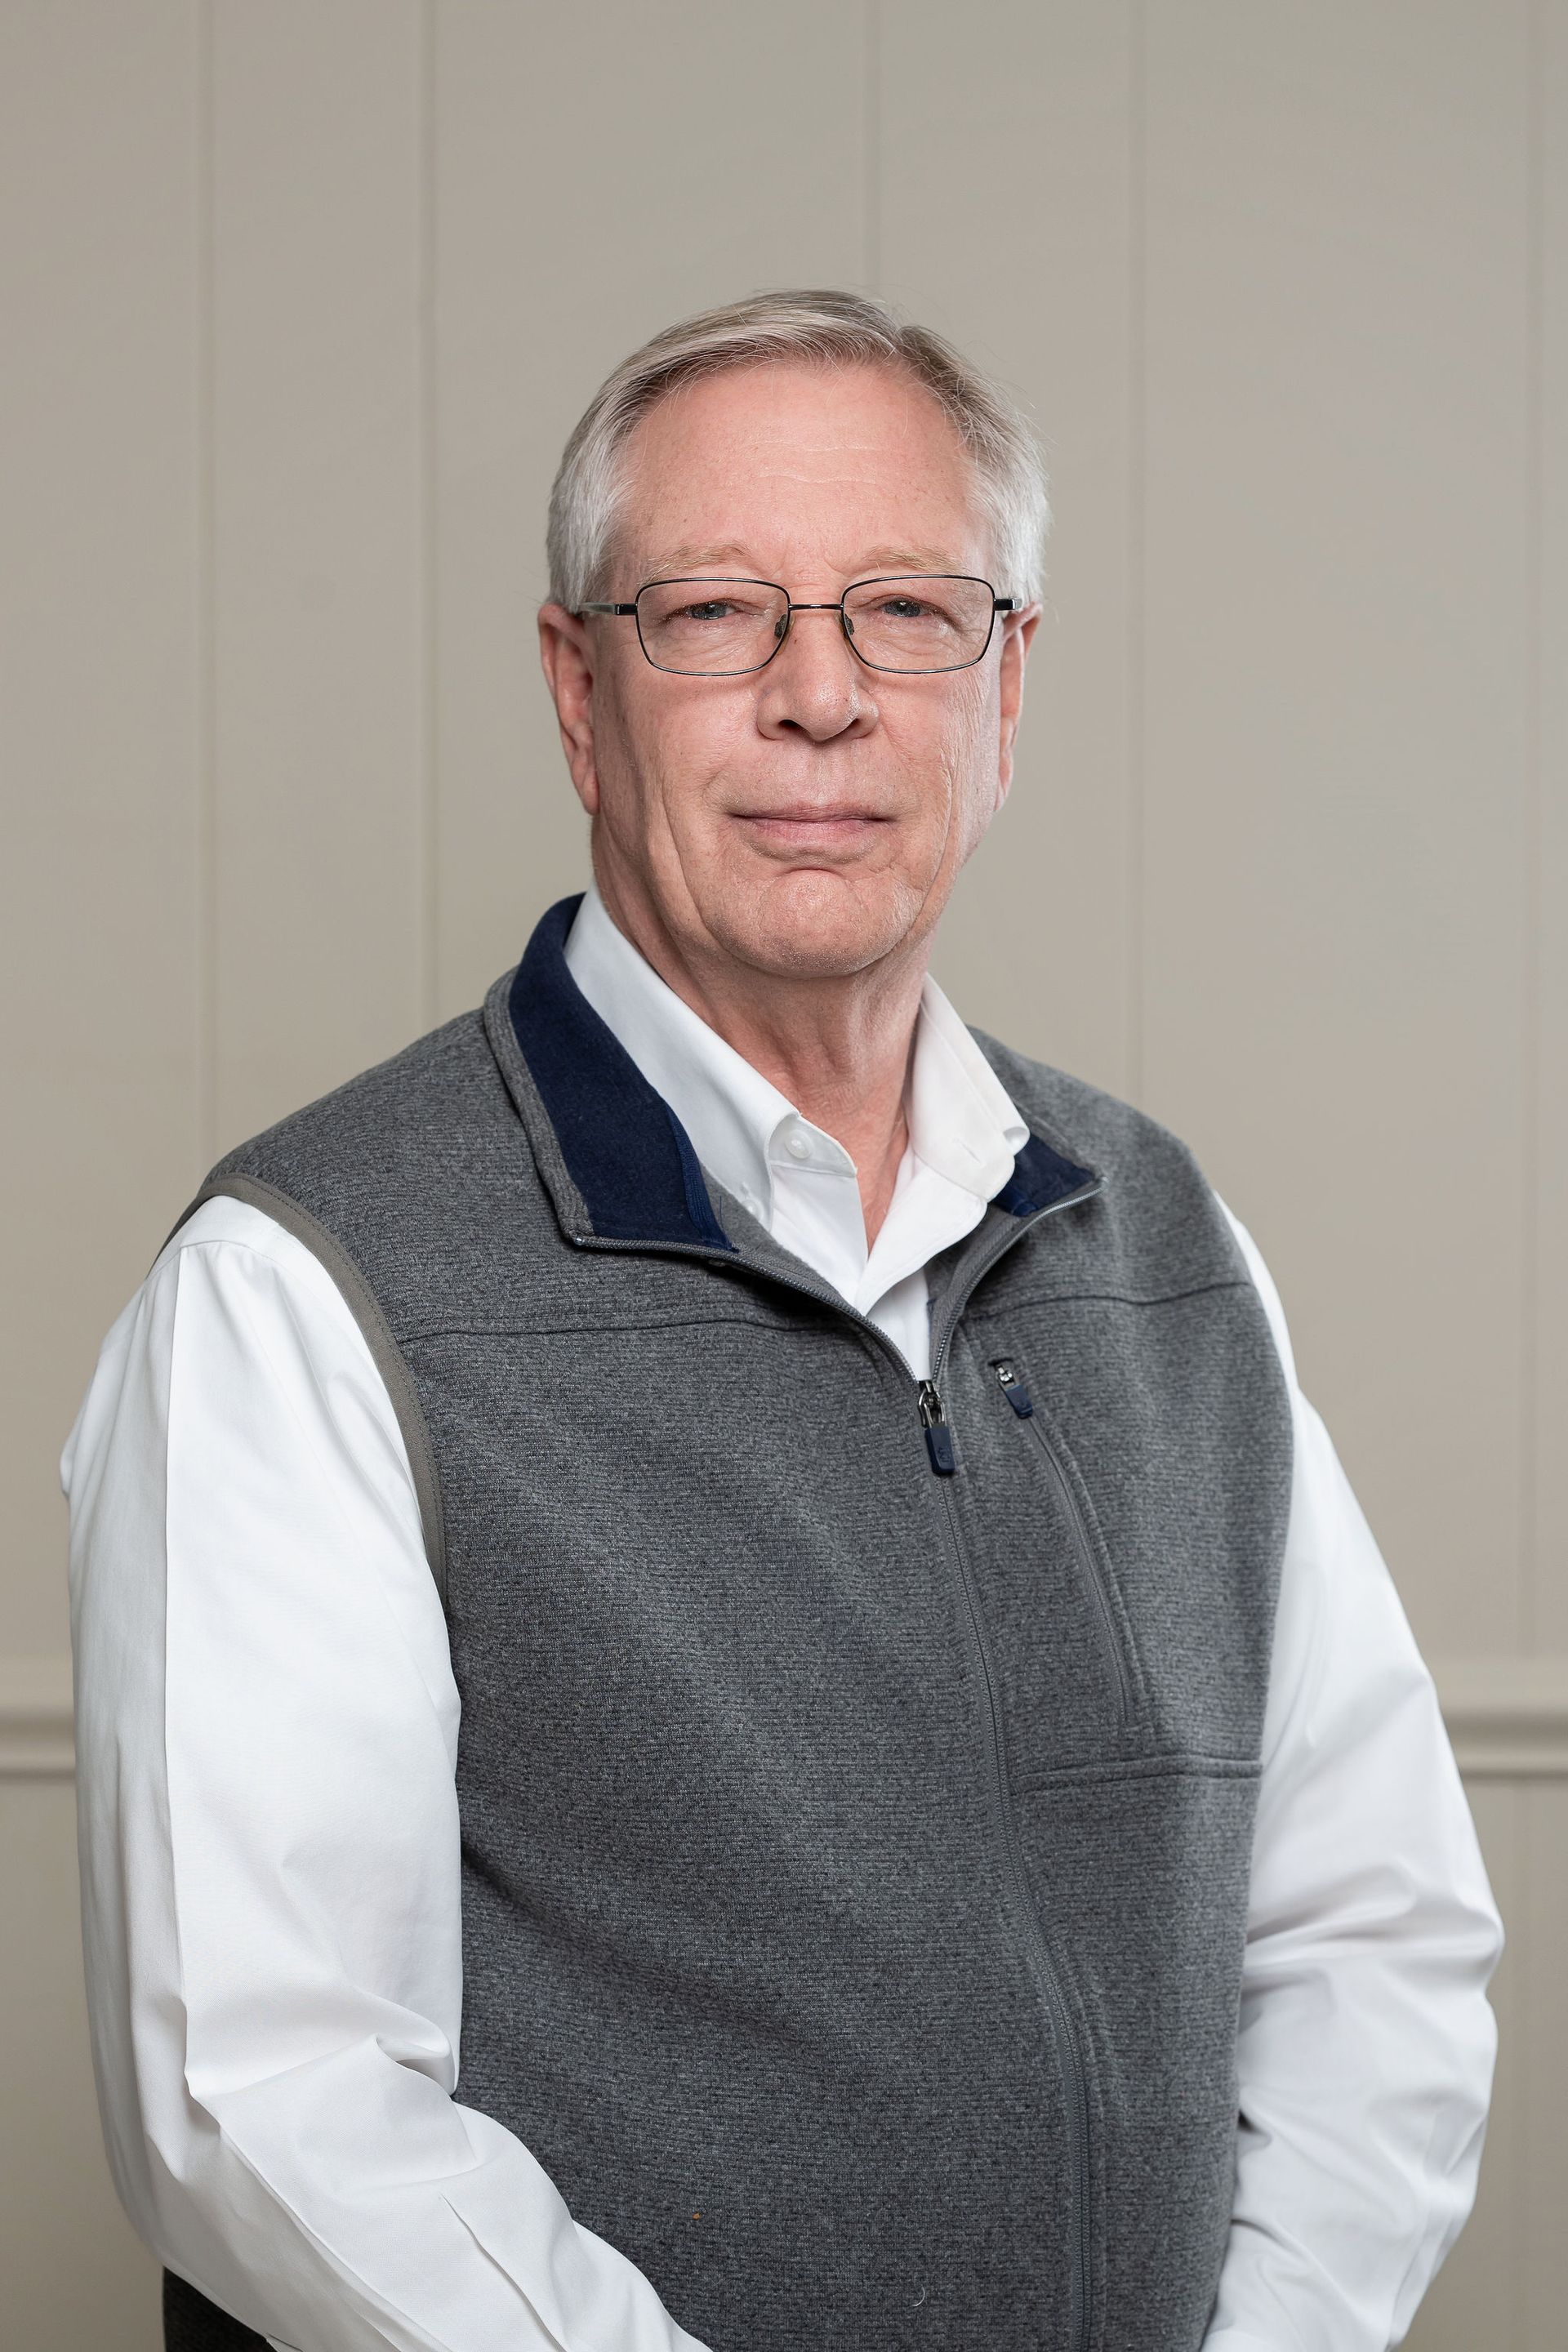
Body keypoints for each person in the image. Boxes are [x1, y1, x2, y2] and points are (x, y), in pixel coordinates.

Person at [63, 290, 1501, 2352]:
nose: (823, 698)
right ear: (579, 691)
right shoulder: (299, 1292)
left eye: (910, 611)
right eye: (716, 613)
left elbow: (1373, 1939)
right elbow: (265, 2104)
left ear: (1009, 689)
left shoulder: (1169, 1247)